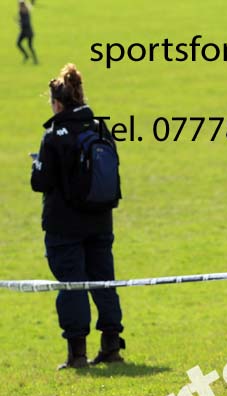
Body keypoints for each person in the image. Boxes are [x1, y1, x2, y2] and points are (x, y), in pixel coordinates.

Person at [30, 64, 126, 369]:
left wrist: (36, 167)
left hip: (64, 225)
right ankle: (111, 346)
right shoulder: (99, 126)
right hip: (100, 219)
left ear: (57, 103)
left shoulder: (55, 134)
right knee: (103, 282)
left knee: (71, 286)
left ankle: (77, 354)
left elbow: (40, 183)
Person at [16, 0, 37, 64]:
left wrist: (19, 22)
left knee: (30, 46)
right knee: (18, 43)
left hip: (28, 32)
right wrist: (19, 21)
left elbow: (26, 23)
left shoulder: (26, 11)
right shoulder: (21, 11)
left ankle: (35, 60)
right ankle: (26, 56)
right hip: (24, 31)